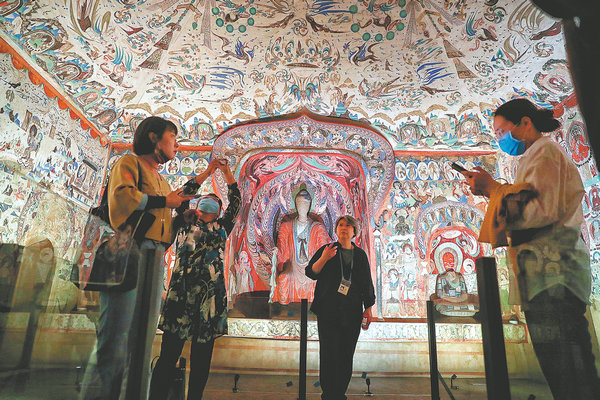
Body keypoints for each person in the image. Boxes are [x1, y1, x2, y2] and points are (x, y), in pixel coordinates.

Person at [462, 98, 600, 399]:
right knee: (561, 371)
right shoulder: (531, 158)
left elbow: (538, 211)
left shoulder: (545, 152)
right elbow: (524, 203)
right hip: (543, 278)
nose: (500, 139)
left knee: (570, 373)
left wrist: (492, 188)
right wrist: (492, 191)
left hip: (555, 277)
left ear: (525, 123)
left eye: (502, 132)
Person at [79, 116, 195, 400]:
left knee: (142, 338)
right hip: (128, 256)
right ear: (154, 137)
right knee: (115, 335)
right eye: (173, 136)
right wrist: (166, 202)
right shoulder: (129, 163)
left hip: (153, 260)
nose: (177, 145)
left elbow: (161, 231)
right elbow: (123, 199)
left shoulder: (161, 179)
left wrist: (179, 219)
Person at [149, 158, 241, 400]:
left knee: (201, 360)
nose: (209, 204)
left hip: (208, 301)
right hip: (180, 295)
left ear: (219, 211)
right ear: (197, 206)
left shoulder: (222, 227)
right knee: (168, 355)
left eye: (214, 203)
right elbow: (185, 193)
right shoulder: (186, 221)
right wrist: (209, 171)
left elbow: (236, 202)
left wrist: (227, 173)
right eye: (205, 201)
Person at [306, 215, 375, 400]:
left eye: (348, 225)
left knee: (346, 352)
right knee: (329, 351)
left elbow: (366, 283)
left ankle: (339, 393)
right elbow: (311, 272)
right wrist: (324, 258)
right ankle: (328, 393)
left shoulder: (360, 255)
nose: (344, 228)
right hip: (328, 310)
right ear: (336, 230)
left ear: (354, 231)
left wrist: (368, 307)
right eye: (341, 225)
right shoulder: (327, 249)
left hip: (352, 311)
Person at [270, 187, 330, 304]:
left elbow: (324, 251)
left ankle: (316, 306)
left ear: (310, 206)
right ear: (296, 205)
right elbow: (282, 250)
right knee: (283, 278)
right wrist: (276, 251)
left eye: (305, 204)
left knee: (320, 281)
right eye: (300, 204)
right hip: (293, 267)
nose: (302, 207)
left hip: (312, 267)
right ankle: (284, 308)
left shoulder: (318, 227)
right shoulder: (286, 226)